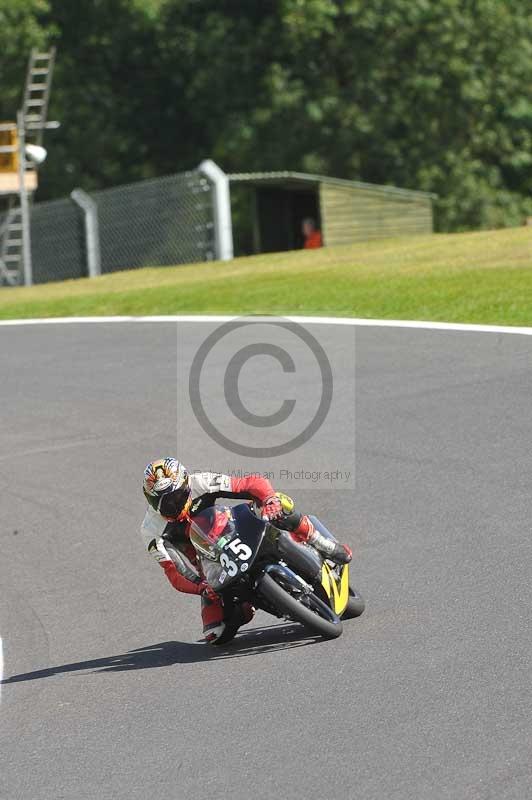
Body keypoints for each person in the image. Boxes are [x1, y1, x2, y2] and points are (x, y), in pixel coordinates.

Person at [141, 458, 352, 644]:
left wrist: (269, 499)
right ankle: (249, 601)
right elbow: (174, 572)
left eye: (178, 497)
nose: (174, 505)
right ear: (151, 501)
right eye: (165, 503)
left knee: (279, 503)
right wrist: (201, 587)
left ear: (186, 485)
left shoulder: (201, 482)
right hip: (209, 564)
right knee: (216, 633)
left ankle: (320, 541)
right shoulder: (151, 530)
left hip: (232, 530)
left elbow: (250, 483)